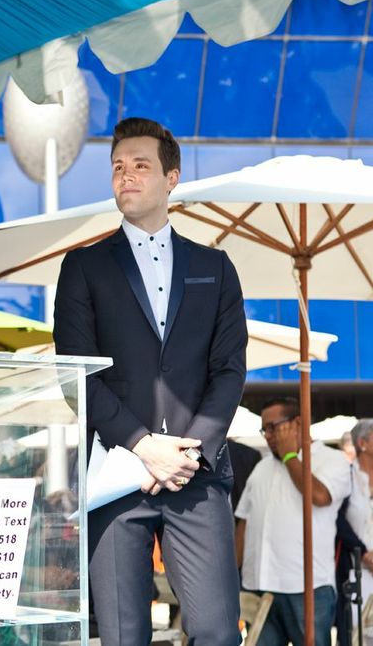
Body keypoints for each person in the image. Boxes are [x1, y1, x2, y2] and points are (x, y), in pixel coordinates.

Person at [54, 117, 248, 646]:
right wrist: (143, 446)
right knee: (122, 636)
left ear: (172, 178)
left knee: (215, 633)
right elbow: (75, 376)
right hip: (118, 474)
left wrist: (189, 451)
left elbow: (229, 370)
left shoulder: (217, 267)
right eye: (118, 167)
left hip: (197, 475)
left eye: (141, 165)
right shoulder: (82, 267)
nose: (127, 176)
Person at [235, 397, 351, 646]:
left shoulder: (334, 460)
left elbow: (319, 497)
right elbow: (244, 521)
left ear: (298, 423)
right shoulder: (262, 466)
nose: (268, 435)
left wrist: (290, 456)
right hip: (258, 584)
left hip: (306, 588)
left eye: (273, 427)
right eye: (264, 429)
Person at [335, 418, 373, 646]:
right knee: (351, 633)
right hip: (350, 569)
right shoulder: (344, 477)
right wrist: (362, 552)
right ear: (362, 443)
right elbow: (336, 519)